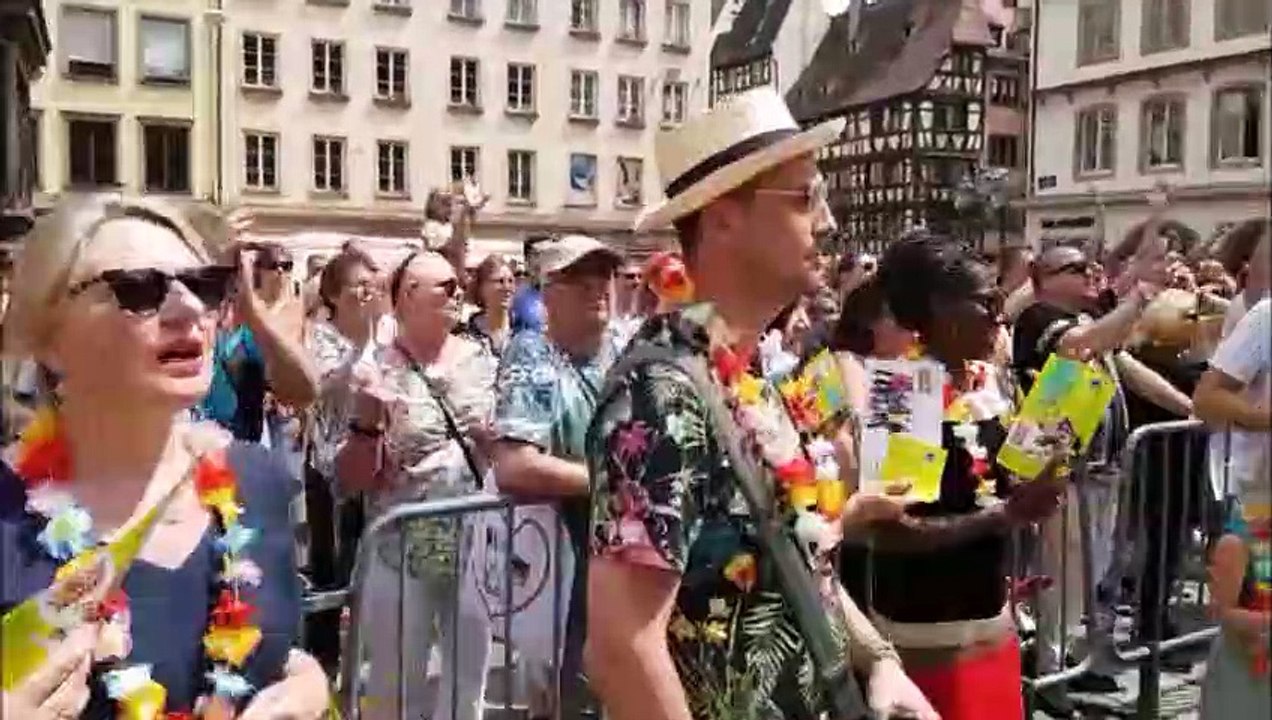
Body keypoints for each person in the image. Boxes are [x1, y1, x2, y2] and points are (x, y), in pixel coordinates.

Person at [584, 87, 935, 720]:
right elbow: (621, 652)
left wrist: (879, 659)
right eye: (804, 197)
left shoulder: (743, 373)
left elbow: (798, 558)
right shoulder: (659, 393)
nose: (826, 221)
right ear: (723, 219)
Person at [0, 197, 327, 719]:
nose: (189, 308)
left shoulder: (255, 480)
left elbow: (272, 648)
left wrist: (309, 682)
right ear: (50, 339)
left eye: (205, 285)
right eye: (138, 289)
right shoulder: (8, 511)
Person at [336, 250, 496, 720]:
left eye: (460, 284)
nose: (460, 293)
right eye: (447, 287)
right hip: (400, 547)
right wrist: (367, 424)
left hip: (473, 544)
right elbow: (347, 478)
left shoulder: (482, 359)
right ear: (408, 295)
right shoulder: (374, 370)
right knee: (393, 683)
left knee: (467, 682)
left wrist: (495, 443)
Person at [490, 234, 623, 719]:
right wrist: (614, 482)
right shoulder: (533, 355)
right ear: (548, 292)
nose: (598, 288)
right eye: (579, 279)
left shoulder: (629, 350)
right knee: (577, 695)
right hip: (569, 554)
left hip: (629, 554)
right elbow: (515, 465)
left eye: (604, 276)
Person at [458, 254, 516, 358]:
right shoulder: (466, 335)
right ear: (482, 287)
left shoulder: (521, 328)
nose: (507, 288)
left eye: (511, 281)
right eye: (500, 281)